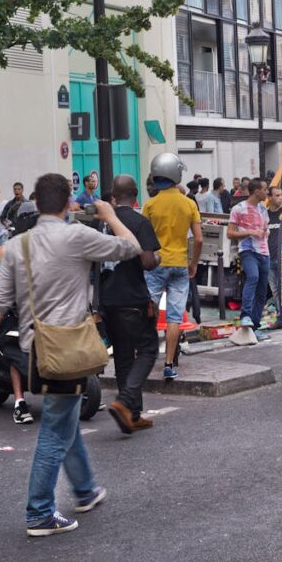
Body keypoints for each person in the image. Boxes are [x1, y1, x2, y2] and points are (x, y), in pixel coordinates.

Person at [0, 173, 140, 537]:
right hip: (68, 350)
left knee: (65, 418)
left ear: (35, 202)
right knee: (55, 430)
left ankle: (85, 490)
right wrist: (109, 215)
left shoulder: (17, 246)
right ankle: (39, 512)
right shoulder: (77, 236)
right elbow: (131, 247)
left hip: (35, 350)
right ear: (67, 204)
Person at [99, 176, 161, 434]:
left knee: (124, 356)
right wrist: (156, 258)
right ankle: (125, 403)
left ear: (113, 196)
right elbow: (147, 262)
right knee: (148, 350)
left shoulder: (101, 223)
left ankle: (131, 415)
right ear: (135, 195)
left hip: (106, 299)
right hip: (132, 298)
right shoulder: (139, 222)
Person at [142, 153, 202, 380]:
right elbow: (198, 239)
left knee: (149, 310)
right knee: (175, 317)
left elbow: (143, 239)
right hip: (180, 265)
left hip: (156, 265)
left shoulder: (150, 205)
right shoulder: (188, 203)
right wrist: (193, 263)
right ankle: (169, 364)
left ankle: (145, 356)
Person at [0, 201, 39, 424]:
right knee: (16, 347)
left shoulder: (43, 246)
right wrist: (6, 295)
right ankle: (19, 402)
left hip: (41, 308)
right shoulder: (6, 249)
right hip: (14, 311)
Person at [227, 178, 272, 341]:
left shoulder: (263, 208)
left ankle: (255, 325)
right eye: (265, 189)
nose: (267, 193)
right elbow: (230, 233)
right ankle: (245, 315)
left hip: (264, 252)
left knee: (262, 291)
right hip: (247, 250)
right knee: (252, 277)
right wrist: (250, 233)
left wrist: (265, 232)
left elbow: (265, 229)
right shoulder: (238, 209)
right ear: (256, 191)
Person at [265, 186, 282, 321]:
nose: (280, 198)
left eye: (281, 195)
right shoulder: (265, 215)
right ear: (270, 198)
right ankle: (280, 315)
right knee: (275, 289)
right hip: (269, 258)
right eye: (277, 195)